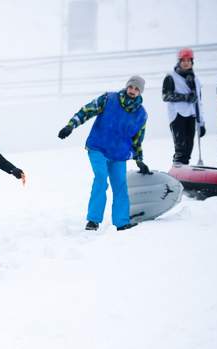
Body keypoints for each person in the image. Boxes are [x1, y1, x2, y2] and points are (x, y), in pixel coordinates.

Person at [57, 76, 151, 231]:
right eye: (131, 87)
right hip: (98, 147)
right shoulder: (109, 99)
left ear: (140, 92)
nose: (133, 91)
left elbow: (137, 139)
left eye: (136, 89)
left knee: (120, 185)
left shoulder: (141, 114)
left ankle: (122, 222)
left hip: (119, 154)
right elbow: (86, 111)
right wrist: (71, 125)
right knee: (101, 178)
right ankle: (93, 220)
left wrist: (139, 159)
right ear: (127, 86)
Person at [163, 47, 206, 165]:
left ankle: (185, 172)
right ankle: (178, 169)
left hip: (192, 115)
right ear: (179, 62)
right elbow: (166, 96)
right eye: (183, 60)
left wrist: (201, 123)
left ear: (192, 62)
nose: (186, 63)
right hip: (177, 115)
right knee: (181, 148)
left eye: (188, 60)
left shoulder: (195, 79)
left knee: (189, 147)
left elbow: (199, 102)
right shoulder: (171, 76)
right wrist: (186, 97)